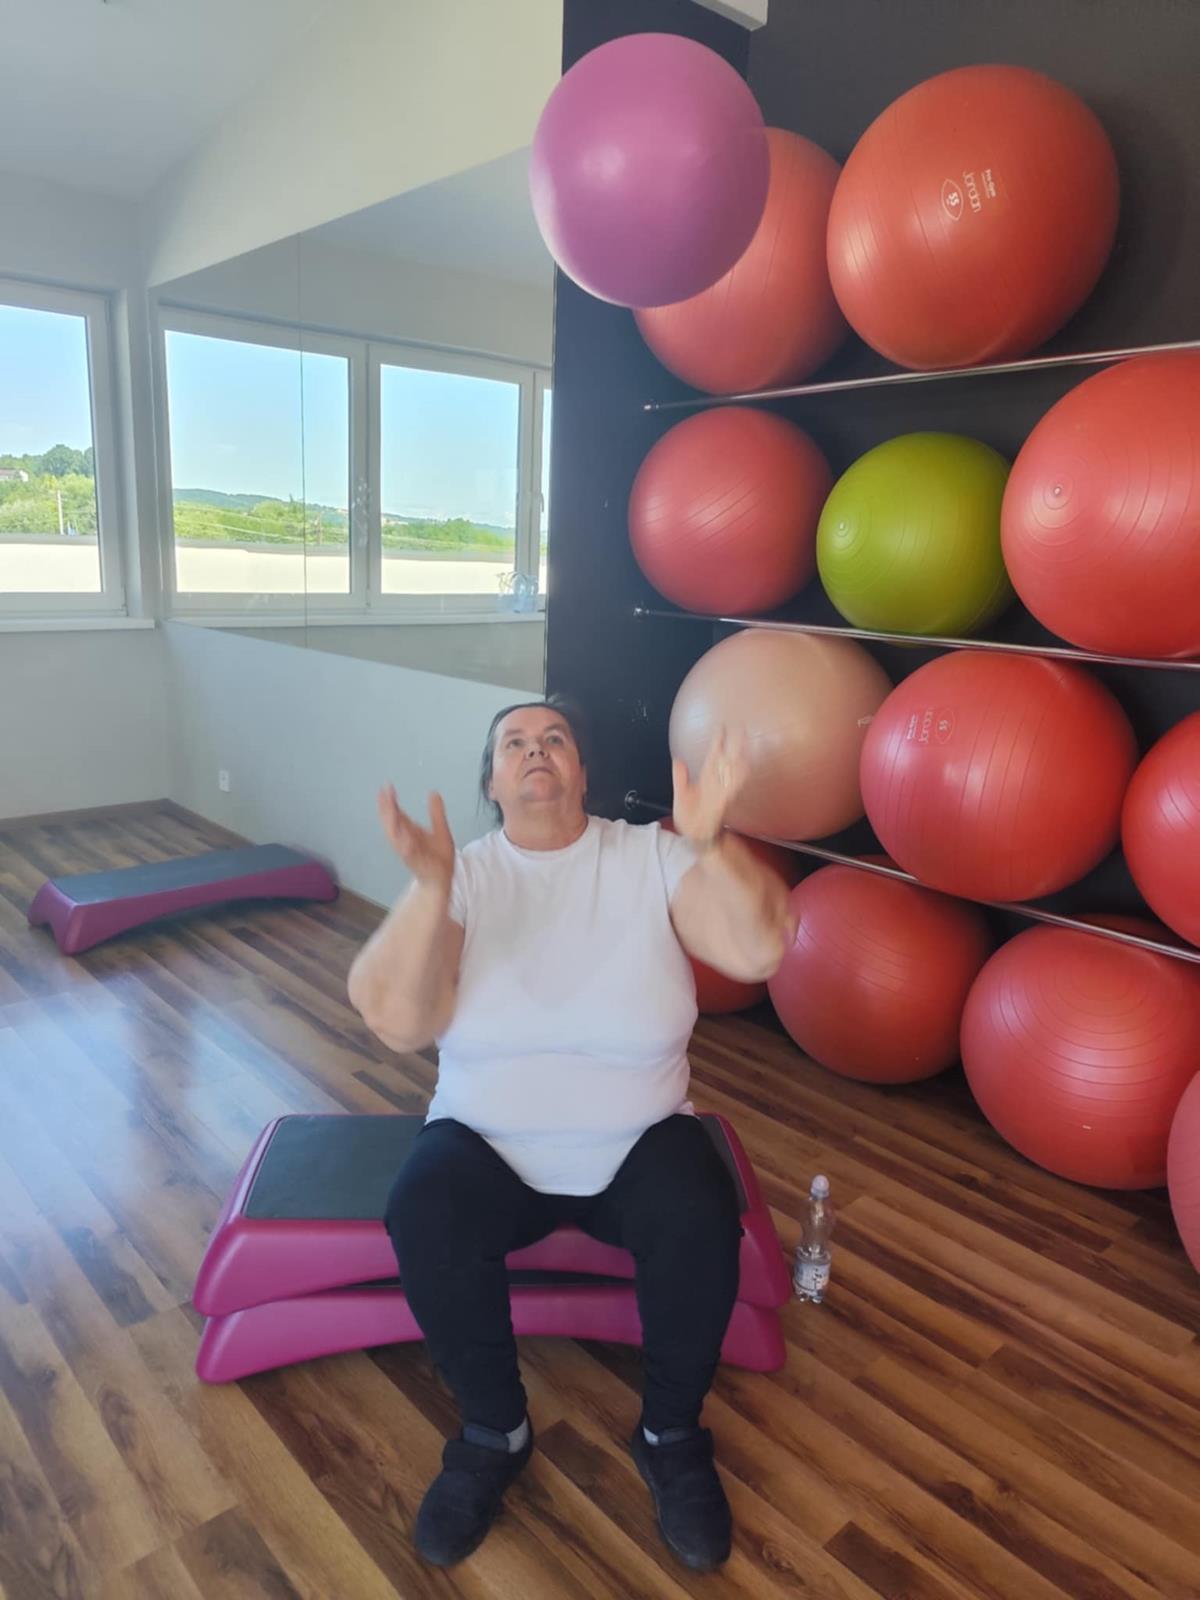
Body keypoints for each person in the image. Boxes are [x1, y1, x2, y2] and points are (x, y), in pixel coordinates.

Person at [348, 695, 791, 1570]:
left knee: (700, 1209)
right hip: (486, 1142)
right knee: (424, 1208)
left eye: (555, 738)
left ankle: (670, 1435)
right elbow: (395, 1020)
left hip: (639, 1139)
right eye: (513, 742)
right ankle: (494, 1432)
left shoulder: (650, 856)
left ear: (583, 771)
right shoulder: (465, 876)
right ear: (492, 781)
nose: (536, 750)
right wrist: (430, 891)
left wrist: (711, 843)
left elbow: (758, 950)